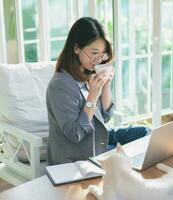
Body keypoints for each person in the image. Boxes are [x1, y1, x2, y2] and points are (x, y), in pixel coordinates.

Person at [46, 17, 150, 165]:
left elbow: (106, 117)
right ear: (76, 48)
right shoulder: (60, 86)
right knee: (129, 155)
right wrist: (93, 96)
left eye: (102, 54)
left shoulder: (87, 74)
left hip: (98, 140)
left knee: (146, 133)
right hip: (80, 154)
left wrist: (106, 85)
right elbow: (76, 134)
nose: (98, 60)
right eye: (94, 53)